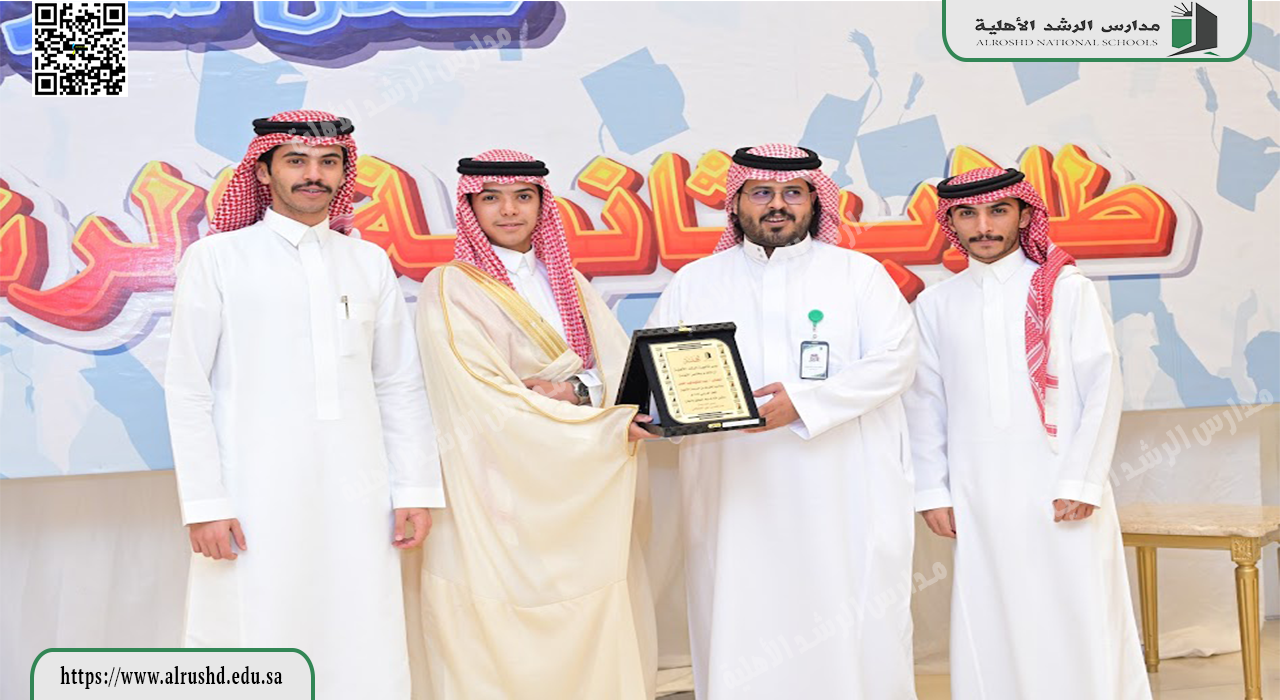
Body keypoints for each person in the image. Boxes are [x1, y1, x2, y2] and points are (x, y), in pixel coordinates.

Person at [165, 110, 443, 698]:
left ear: (344, 173)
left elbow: (398, 383)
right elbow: (188, 388)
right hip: (251, 493)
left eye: (328, 162)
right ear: (263, 171)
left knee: (360, 628)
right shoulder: (217, 258)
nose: (313, 175)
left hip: (359, 494)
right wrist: (205, 503)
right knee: (253, 629)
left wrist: (414, 490)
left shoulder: (368, 262)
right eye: (296, 161)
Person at [646, 143, 920, 699]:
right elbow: (658, 374)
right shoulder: (695, 281)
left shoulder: (859, 275)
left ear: (814, 202)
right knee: (740, 609)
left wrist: (805, 403)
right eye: (762, 193)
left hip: (840, 488)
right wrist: (660, 413)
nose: (778, 205)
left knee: (844, 613)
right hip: (733, 490)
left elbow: (897, 360)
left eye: (793, 193)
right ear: (736, 202)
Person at [404, 149, 656, 699]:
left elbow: (618, 373)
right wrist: (600, 424)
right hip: (495, 486)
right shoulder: (450, 286)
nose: (509, 211)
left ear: (543, 204)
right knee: (497, 611)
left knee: (587, 598)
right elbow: (481, 399)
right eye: (491, 198)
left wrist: (577, 392)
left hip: (579, 488)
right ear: (469, 208)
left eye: (523, 197)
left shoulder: (569, 281)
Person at [905, 166, 1151, 699]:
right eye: (967, 214)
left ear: (1023, 215)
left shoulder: (1067, 289)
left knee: (1076, 612)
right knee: (992, 617)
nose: (983, 226)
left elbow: (1102, 387)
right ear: (950, 223)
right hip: (978, 492)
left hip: (1060, 484)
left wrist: (1082, 481)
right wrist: (933, 492)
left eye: (998, 211)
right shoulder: (936, 304)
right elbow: (925, 405)